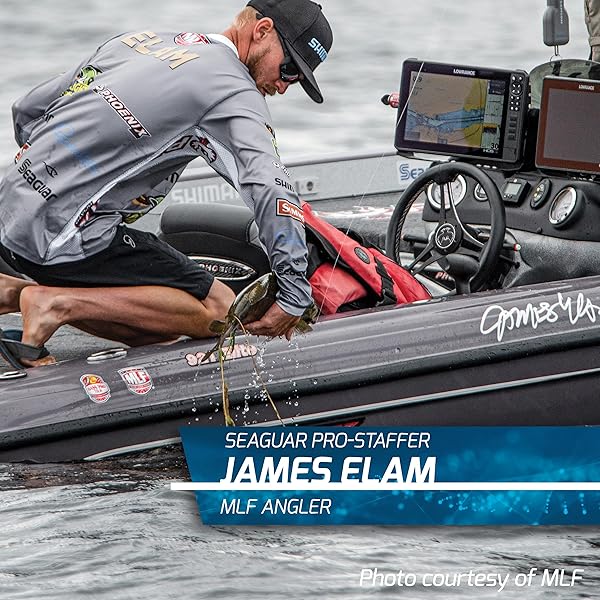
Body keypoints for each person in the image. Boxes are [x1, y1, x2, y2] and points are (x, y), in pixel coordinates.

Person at [0, 0, 333, 367]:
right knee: (219, 310)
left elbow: (27, 110)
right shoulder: (233, 91)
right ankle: (50, 303)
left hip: (9, 210)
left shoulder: (140, 41)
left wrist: (56, 176)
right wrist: (293, 289)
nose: (284, 87)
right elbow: (270, 187)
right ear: (262, 30)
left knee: (157, 329)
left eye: (296, 81)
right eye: (289, 69)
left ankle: (14, 291)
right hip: (61, 239)